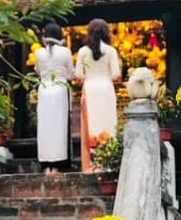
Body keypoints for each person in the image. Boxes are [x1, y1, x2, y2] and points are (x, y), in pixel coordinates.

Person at [74, 18, 121, 172]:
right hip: (106, 89)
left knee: (91, 124)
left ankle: (93, 163)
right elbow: (116, 74)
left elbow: (78, 74)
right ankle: (109, 161)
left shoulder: (82, 52)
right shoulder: (111, 51)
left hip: (90, 89)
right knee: (107, 123)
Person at [33, 22, 75, 173]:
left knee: (45, 127)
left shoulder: (38, 53)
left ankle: (46, 164)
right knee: (59, 126)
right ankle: (59, 163)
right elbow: (71, 73)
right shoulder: (65, 52)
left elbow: (38, 71)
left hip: (44, 90)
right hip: (60, 90)